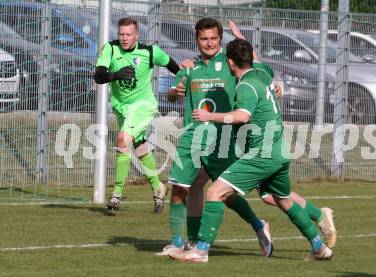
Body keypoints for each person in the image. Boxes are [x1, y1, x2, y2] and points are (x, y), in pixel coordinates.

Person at [170, 39, 334, 263]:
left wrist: (210, 116)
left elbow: (242, 117)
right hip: (279, 151)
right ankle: (319, 247)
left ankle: (200, 251)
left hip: (261, 154)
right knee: (283, 200)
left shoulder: (245, 85)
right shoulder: (261, 75)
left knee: (214, 192)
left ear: (230, 62)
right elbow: (256, 59)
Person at [155, 18, 274, 257]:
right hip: (192, 137)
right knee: (180, 187)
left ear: (220, 39)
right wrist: (173, 92)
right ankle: (180, 243)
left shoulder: (230, 63)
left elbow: (260, 74)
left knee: (225, 195)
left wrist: (274, 85)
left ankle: (258, 225)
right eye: (204, 39)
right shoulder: (190, 67)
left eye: (213, 39)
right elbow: (171, 96)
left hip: (224, 139)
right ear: (196, 39)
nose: (209, 43)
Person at [93, 17, 180, 213]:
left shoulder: (150, 52)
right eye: (121, 34)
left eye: (128, 34)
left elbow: (175, 68)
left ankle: (116, 195)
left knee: (123, 140)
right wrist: (116, 75)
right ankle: (158, 187)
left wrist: (182, 83)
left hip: (143, 106)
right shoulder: (111, 49)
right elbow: (98, 76)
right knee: (140, 146)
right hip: (122, 108)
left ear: (137, 35)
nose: (124, 38)